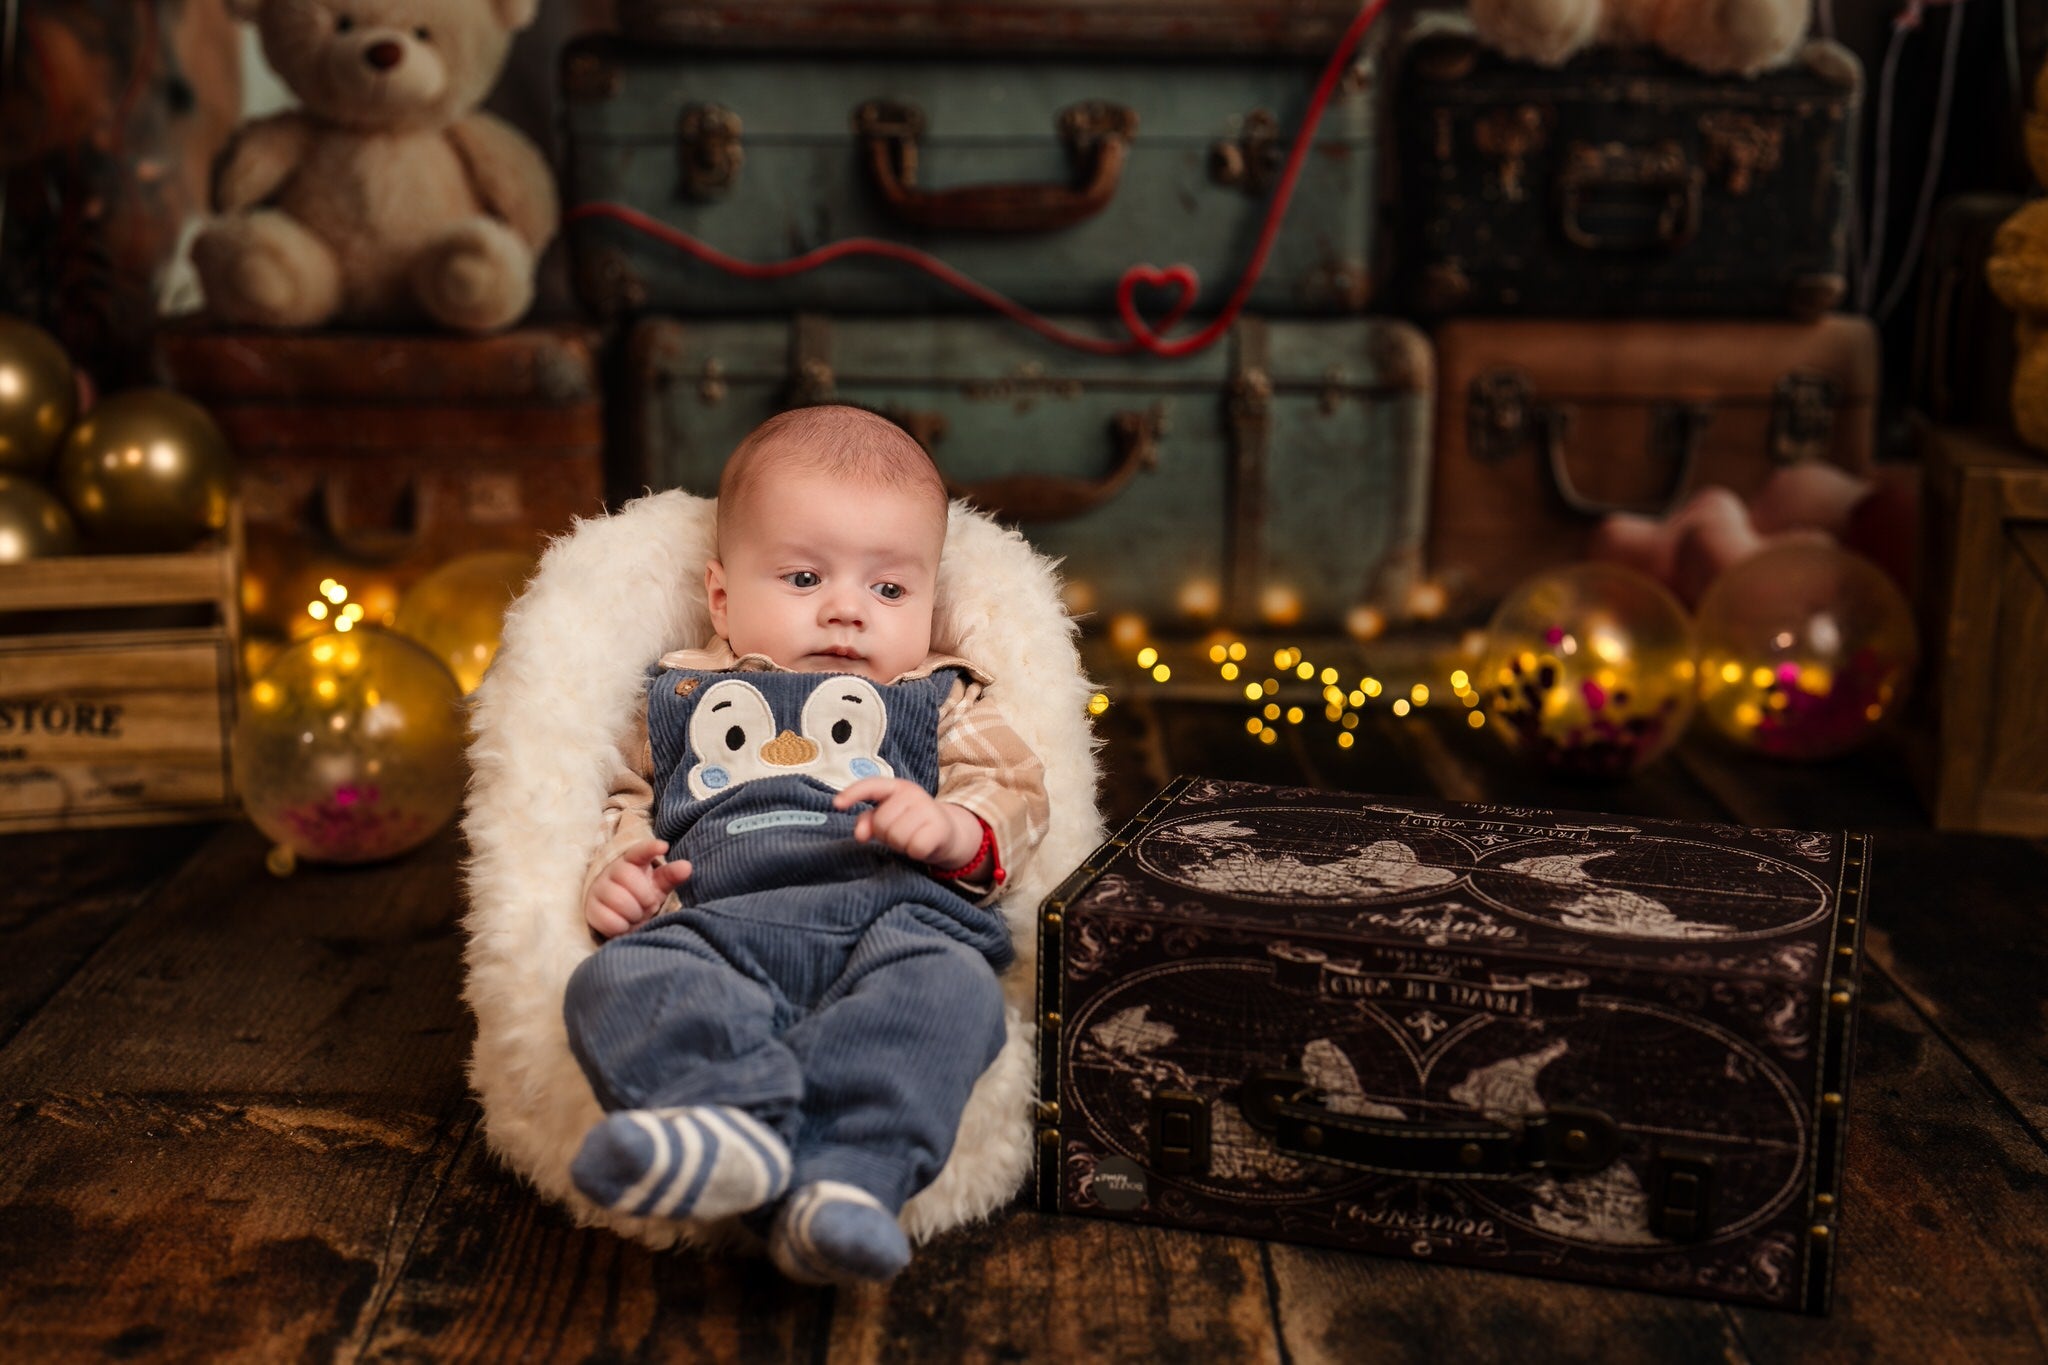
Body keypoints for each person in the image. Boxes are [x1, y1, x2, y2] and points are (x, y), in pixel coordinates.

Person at [563, 404, 1049, 1286]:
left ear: (929, 602)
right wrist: (618, 869)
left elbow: (1013, 789)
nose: (847, 611)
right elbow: (615, 796)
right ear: (721, 597)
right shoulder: (675, 694)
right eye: (802, 577)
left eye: (890, 590)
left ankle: (850, 1177)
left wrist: (949, 827)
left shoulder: (939, 698)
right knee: (611, 981)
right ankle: (727, 1120)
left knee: (956, 997)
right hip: (716, 925)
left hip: (899, 925)